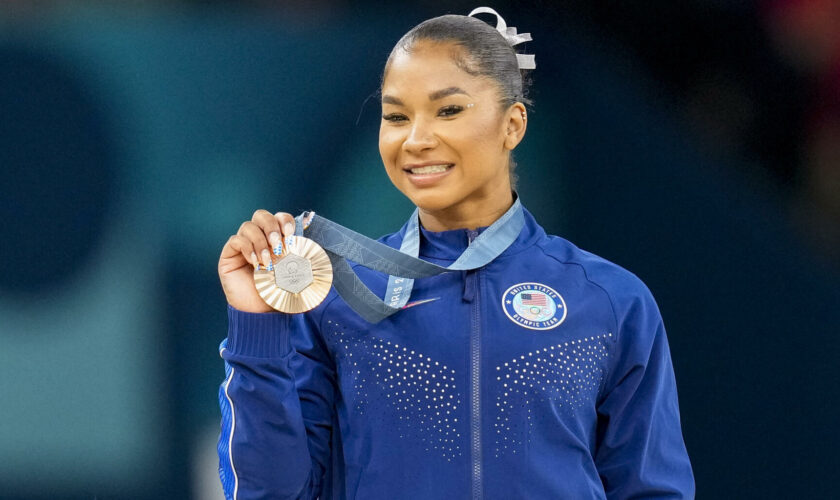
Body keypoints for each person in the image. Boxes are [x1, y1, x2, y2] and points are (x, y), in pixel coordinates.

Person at [217, 7, 695, 500]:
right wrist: (257, 327)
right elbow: (271, 492)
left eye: (448, 110)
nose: (417, 140)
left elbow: (651, 490)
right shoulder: (337, 299)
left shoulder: (611, 301)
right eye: (396, 116)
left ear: (512, 125)